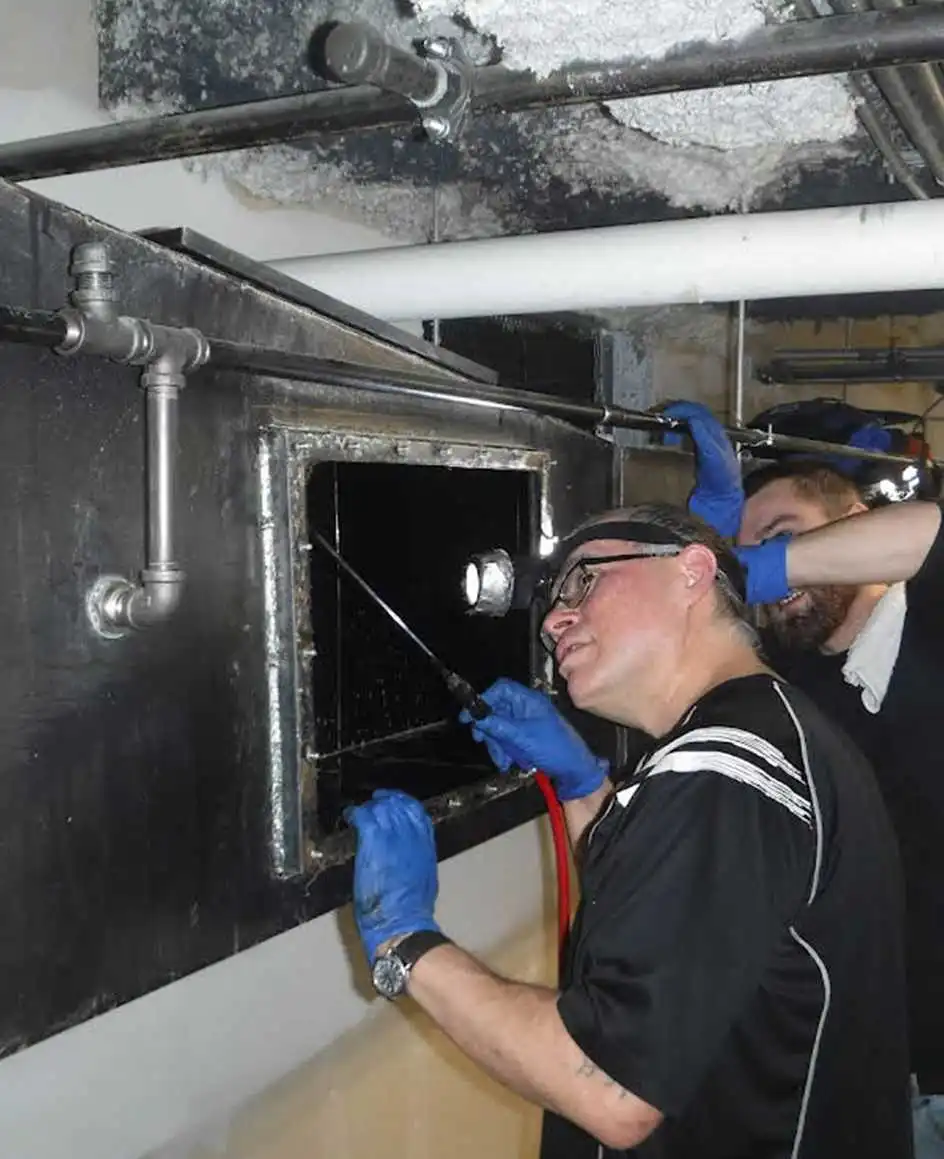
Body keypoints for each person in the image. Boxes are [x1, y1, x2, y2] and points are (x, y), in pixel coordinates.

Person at [344, 502, 912, 1159]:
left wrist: (405, 940)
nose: (553, 622)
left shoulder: (726, 768)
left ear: (692, 571)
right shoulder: (770, 733)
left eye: (584, 580)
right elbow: (676, 918)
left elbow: (611, 1086)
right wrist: (584, 786)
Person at [665, 398, 944, 1156]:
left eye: (784, 532)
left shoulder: (932, 618)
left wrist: (762, 564)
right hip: (890, 1064)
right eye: (750, 547)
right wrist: (709, 548)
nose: (765, 565)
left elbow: (928, 531)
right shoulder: (795, 686)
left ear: (856, 522)